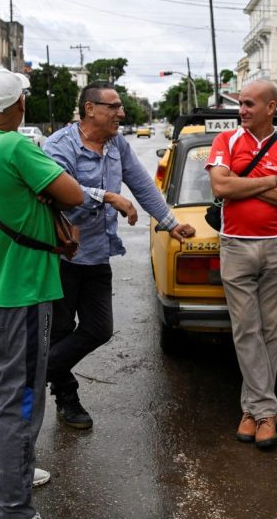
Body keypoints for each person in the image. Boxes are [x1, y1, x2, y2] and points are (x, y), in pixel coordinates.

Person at [0, 66, 83, 519]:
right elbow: (72, 194)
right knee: (22, 401)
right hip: (25, 292)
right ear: (20, 105)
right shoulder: (15, 147)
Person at [42, 81, 195, 429]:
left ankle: (35, 372)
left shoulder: (117, 145)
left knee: (99, 329)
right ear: (90, 109)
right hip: (62, 256)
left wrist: (171, 223)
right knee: (62, 331)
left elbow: (141, 184)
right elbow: (59, 193)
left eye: (121, 106)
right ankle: (66, 397)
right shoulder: (59, 145)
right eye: (114, 106)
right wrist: (107, 196)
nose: (121, 113)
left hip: (97, 254)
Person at [206, 80, 277, 450]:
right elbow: (221, 188)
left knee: (270, 331)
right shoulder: (226, 141)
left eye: (250, 104)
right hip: (236, 245)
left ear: (271, 107)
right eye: (241, 103)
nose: (242, 110)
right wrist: (273, 180)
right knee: (246, 330)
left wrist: (244, 182)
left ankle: (251, 411)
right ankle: (266, 412)